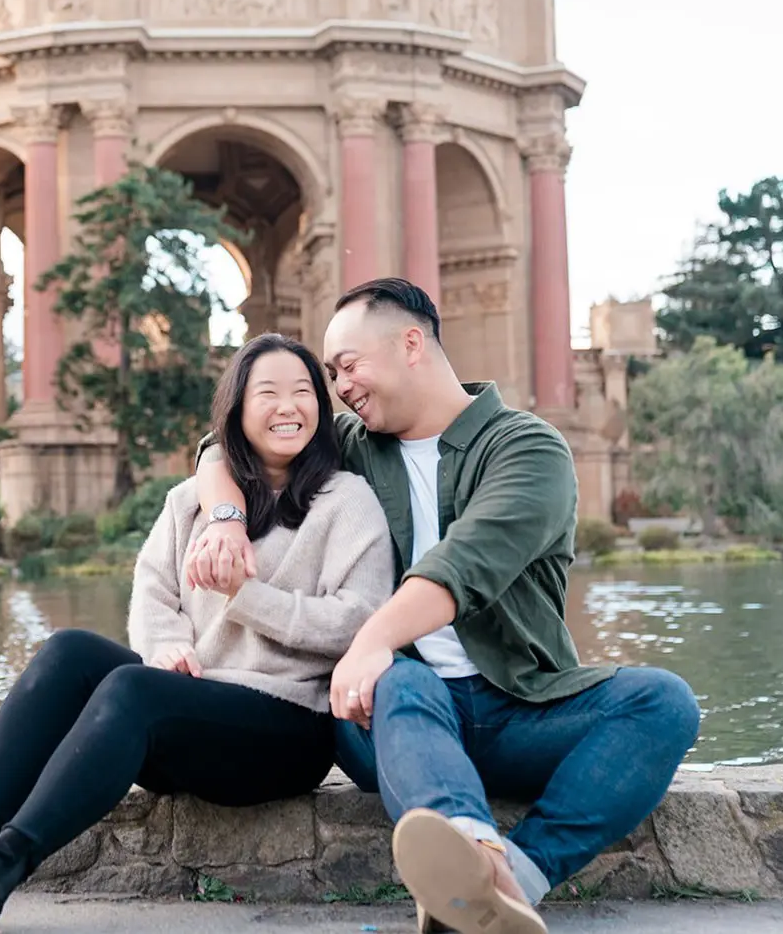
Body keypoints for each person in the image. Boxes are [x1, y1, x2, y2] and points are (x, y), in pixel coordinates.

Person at [187, 279, 701, 934]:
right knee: (404, 679)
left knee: (664, 702)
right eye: (334, 374)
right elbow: (225, 445)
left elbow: (465, 566)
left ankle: (514, 872)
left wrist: (371, 634)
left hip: (519, 709)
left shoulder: (527, 448)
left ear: (409, 344)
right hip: (389, 719)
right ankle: (465, 851)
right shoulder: (352, 446)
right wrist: (226, 519)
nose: (339, 386)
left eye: (347, 366)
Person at [0, 333, 396, 934]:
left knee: (131, 690)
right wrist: (165, 647)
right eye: (269, 393)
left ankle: (2, 863)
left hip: (287, 727)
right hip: (193, 709)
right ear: (237, 409)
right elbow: (153, 589)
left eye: (304, 392)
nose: (289, 407)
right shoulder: (192, 501)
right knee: (69, 649)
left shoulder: (345, 500)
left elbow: (358, 622)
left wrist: (247, 599)